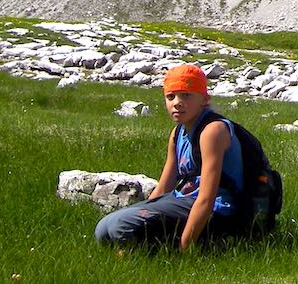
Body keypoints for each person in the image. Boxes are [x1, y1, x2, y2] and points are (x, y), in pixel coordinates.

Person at [94, 64, 247, 249]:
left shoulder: (213, 131)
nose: (177, 102)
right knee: (103, 230)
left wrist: (186, 248)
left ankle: (176, 249)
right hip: (182, 200)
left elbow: (207, 199)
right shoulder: (177, 132)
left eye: (186, 95)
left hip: (218, 211)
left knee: (122, 226)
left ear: (205, 99)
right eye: (170, 96)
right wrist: (148, 209)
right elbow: (163, 187)